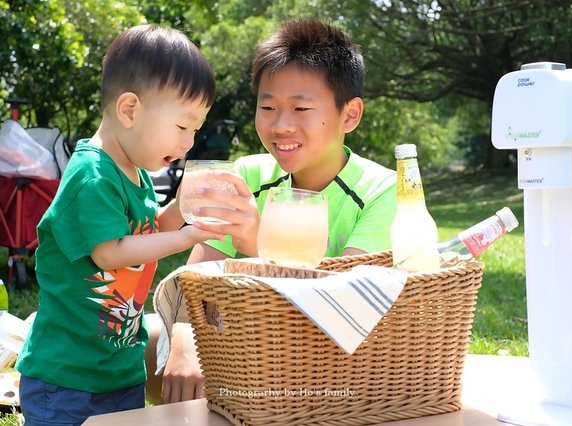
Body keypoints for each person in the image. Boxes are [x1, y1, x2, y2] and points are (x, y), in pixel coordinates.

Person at [145, 17, 398, 405]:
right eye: (268, 107)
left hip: (331, 364)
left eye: (301, 108)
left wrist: (254, 241)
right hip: (241, 340)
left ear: (349, 115)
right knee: (130, 341)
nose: (281, 126)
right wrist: (184, 341)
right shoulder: (248, 173)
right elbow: (196, 280)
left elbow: (341, 305)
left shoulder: (381, 191)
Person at [16, 24, 218, 425]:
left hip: (117, 369)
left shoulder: (136, 172)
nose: (189, 143)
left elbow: (144, 232)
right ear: (129, 110)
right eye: (182, 127)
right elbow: (110, 251)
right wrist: (183, 237)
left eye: (195, 130)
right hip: (68, 376)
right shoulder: (93, 174)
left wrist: (182, 207)